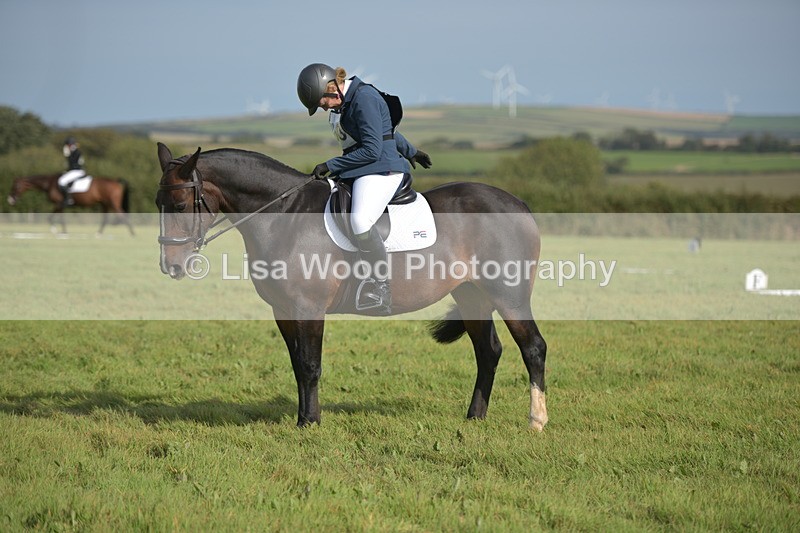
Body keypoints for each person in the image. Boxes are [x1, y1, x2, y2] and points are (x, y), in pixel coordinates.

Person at [297, 63, 432, 314]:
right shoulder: (344, 105)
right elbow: (383, 130)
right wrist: (411, 150)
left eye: (322, 102)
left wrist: (331, 164)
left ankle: (381, 287)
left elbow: (373, 148)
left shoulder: (364, 99)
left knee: (360, 221)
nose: (323, 108)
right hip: (360, 169)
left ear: (332, 87)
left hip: (381, 170)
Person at [57, 136, 85, 208]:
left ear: (70, 145)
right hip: (75, 170)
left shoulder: (76, 152)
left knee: (61, 181)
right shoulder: (74, 151)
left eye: (67, 145)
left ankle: (68, 199)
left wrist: (67, 155)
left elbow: (73, 163)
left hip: (76, 171)